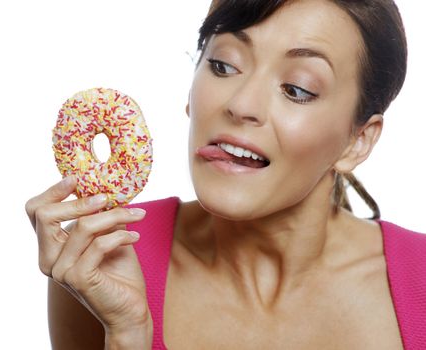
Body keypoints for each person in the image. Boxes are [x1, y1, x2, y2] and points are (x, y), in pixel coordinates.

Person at [25, 0, 426, 349]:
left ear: (358, 141)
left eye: (297, 89)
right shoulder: (103, 258)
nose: (241, 103)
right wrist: (128, 335)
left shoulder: (419, 282)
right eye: (223, 65)